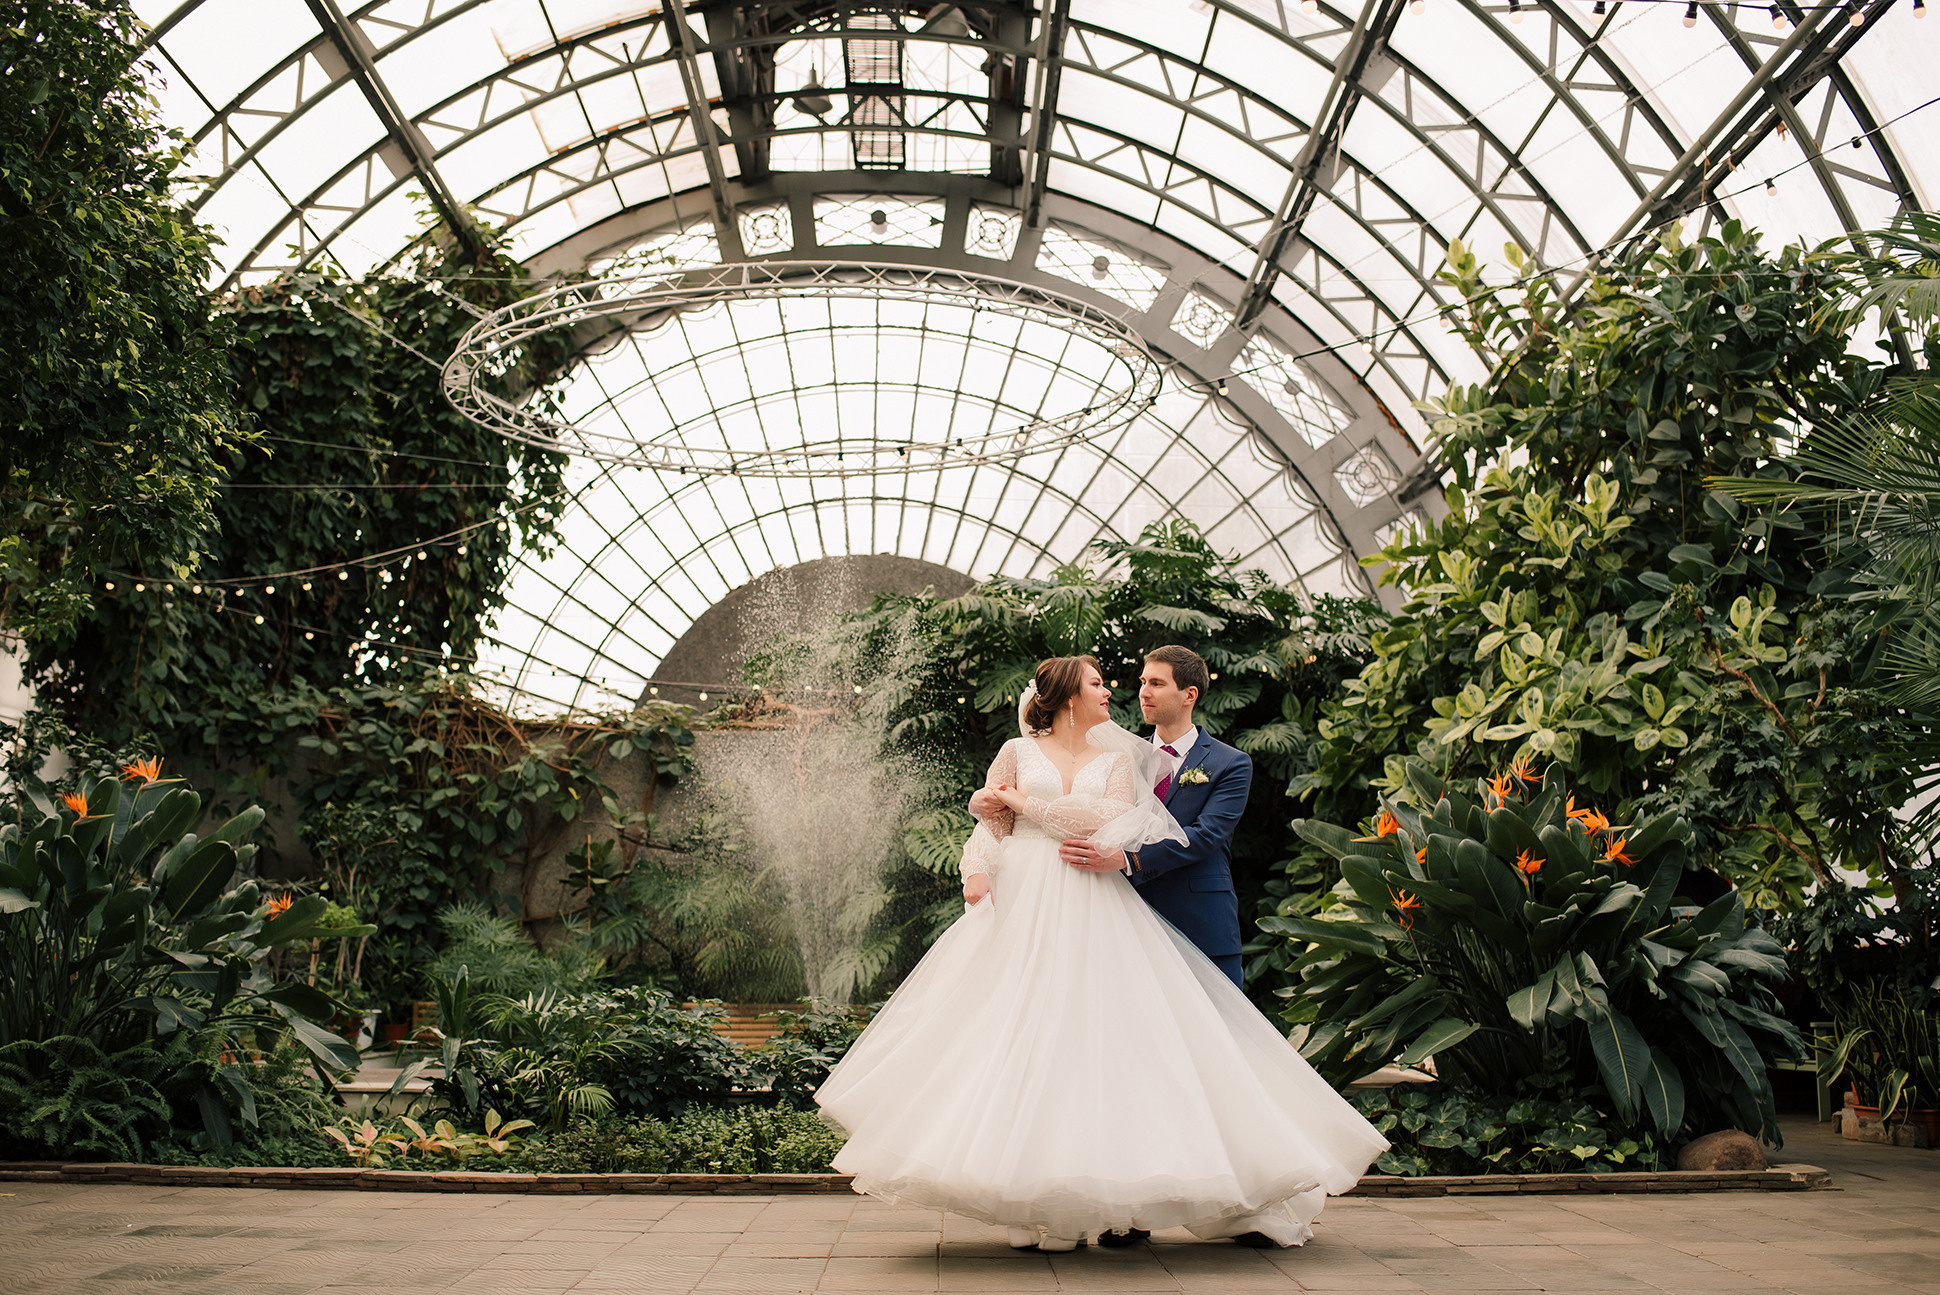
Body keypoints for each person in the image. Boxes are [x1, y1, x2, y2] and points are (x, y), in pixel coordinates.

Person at [814, 655, 1386, 1254]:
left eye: (1148, 682)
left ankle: (1134, 1196)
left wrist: (1022, 804)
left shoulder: (1135, 760)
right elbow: (990, 823)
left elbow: (1119, 819)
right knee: (1014, 1033)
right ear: (1066, 697)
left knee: (1121, 1047)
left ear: (1187, 694)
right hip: (1028, 902)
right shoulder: (1022, 750)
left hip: (1109, 902)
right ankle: (1023, 1197)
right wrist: (977, 866)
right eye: (1103, 683)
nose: (1122, 690)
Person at [1050, 645, 1251, 990]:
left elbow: (1204, 836)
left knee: (1220, 1036)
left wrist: (1128, 859)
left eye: (1157, 683)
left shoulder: (1230, 763)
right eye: (1143, 681)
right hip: (1127, 923)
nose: (1144, 692)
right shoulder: (1120, 758)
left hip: (1201, 923)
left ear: (1189, 694)